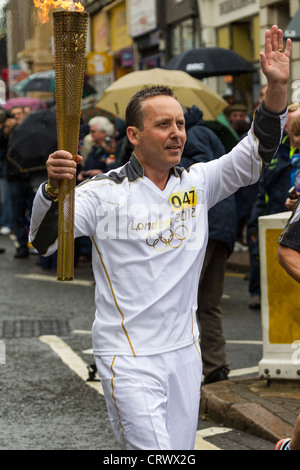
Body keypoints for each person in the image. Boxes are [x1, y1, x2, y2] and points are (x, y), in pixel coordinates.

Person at [29, 26, 291, 450]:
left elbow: (257, 152)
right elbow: (45, 243)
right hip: (128, 357)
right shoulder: (102, 194)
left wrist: (277, 88)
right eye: (163, 124)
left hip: (185, 353)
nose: (177, 133)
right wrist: (51, 190)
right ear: (134, 135)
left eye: (180, 124)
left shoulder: (198, 182)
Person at [180, 104, 236, 384]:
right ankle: (216, 366)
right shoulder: (204, 131)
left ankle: (183, 369)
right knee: (209, 302)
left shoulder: (194, 134)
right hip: (222, 224)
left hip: (205, 223)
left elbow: (197, 171)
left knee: (183, 300)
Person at [246, 101, 300, 309]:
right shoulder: (276, 151)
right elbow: (261, 190)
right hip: (274, 220)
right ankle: (257, 293)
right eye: (294, 127)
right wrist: (254, 222)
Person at [77, 116, 116, 182]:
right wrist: (82, 173)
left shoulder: (112, 148)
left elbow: (115, 169)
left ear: (103, 132)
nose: (90, 134)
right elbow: (86, 165)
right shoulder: (95, 147)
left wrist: (101, 172)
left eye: (93, 131)